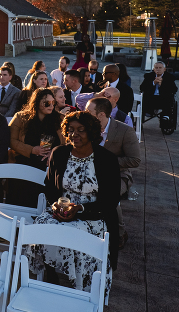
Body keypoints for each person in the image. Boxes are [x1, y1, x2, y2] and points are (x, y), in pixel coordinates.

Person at [26, 111, 119, 299]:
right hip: (62, 211)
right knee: (41, 226)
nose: (74, 134)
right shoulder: (59, 153)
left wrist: (81, 209)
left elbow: (111, 200)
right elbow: (50, 187)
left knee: (75, 233)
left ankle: (81, 288)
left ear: (91, 132)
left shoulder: (107, 159)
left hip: (94, 215)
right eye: (70, 130)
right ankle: (51, 275)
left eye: (80, 130)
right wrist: (55, 205)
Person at [85, 97, 139, 249]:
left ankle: (120, 233)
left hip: (118, 175)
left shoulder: (124, 130)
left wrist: (107, 162)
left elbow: (135, 160)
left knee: (109, 194)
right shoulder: (87, 127)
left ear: (101, 114)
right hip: (90, 173)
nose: (84, 113)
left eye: (88, 111)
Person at [8, 87, 65, 208]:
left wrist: (54, 153)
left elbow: (67, 142)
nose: (51, 106)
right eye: (47, 103)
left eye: (53, 102)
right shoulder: (21, 117)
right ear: (37, 102)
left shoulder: (60, 119)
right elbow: (11, 140)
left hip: (50, 163)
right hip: (25, 161)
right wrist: (32, 150)